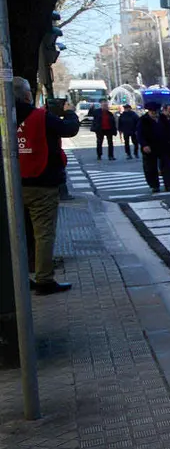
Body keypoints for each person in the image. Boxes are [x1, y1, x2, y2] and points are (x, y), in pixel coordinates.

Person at [14, 78, 79, 295]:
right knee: (44, 233)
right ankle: (44, 279)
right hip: (42, 183)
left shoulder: (6, 116)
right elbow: (69, 129)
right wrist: (69, 112)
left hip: (14, 184)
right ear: (27, 95)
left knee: (18, 233)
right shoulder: (40, 116)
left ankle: (20, 279)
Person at [137, 101, 170, 193]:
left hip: (164, 145)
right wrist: (144, 145)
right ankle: (154, 186)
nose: (154, 113)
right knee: (150, 167)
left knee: (167, 166)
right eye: (152, 112)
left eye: (155, 112)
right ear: (148, 111)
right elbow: (140, 134)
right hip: (150, 147)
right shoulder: (143, 120)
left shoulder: (163, 118)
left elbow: (169, 130)